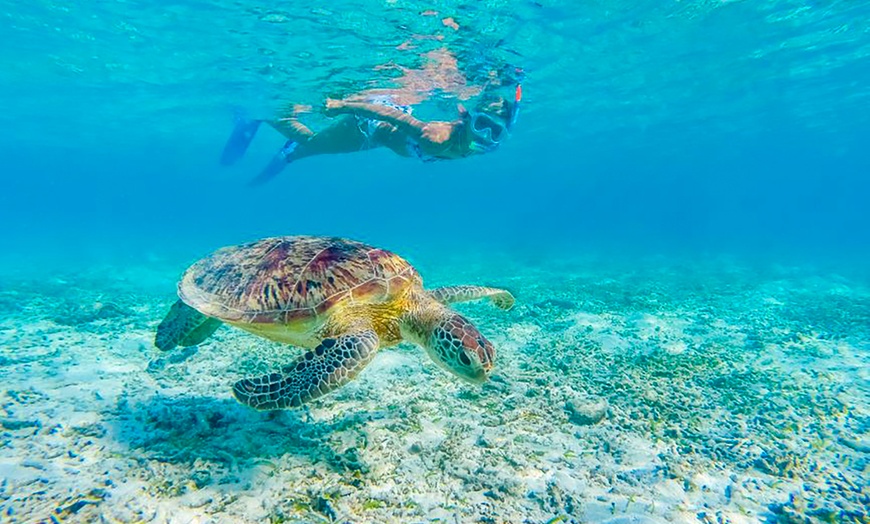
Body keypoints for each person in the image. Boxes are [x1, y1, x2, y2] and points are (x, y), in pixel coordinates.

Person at [219, 50, 523, 186]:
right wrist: (343, 105)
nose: (485, 137)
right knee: (310, 140)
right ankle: (260, 114)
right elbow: (387, 113)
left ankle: (289, 149)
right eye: (482, 125)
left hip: (379, 137)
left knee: (314, 145)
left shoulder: (479, 141)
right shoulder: (435, 137)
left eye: (494, 132)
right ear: (468, 118)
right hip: (370, 128)